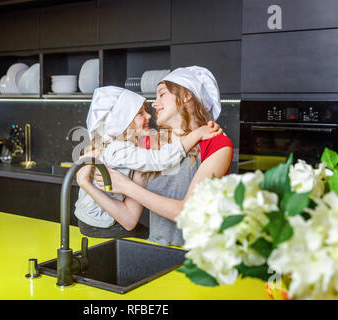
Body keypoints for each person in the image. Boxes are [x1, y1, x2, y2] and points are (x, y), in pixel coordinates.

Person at [77, 66, 233, 246]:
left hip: (198, 257)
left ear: (186, 96)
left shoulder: (217, 145)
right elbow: (128, 219)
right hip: (156, 250)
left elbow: (188, 214)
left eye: (161, 94)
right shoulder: (149, 144)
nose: (154, 103)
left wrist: (127, 187)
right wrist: (86, 183)